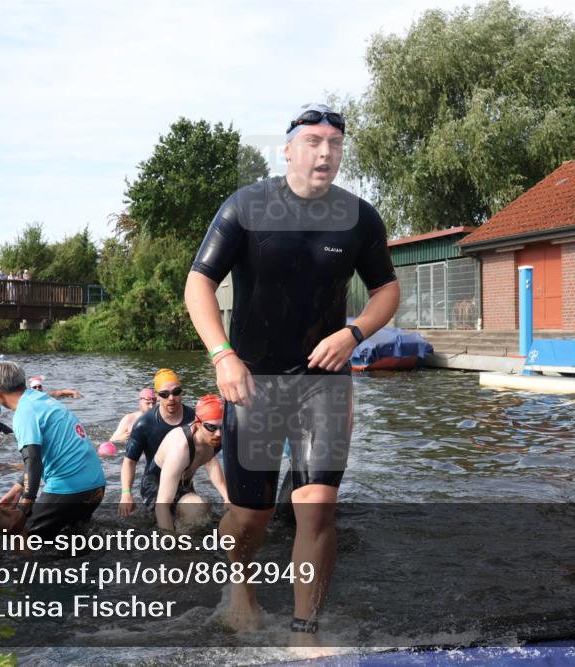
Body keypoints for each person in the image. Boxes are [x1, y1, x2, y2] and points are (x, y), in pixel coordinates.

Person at [184, 103, 400, 642]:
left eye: (335, 143)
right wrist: (223, 356)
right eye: (313, 142)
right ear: (287, 150)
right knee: (250, 516)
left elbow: (386, 290)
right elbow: (198, 283)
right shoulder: (247, 205)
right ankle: (241, 585)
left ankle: (306, 629)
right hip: (253, 382)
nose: (325, 152)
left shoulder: (359, 217)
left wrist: (354, 334)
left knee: (317, 506)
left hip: (323, 382)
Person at [0, 362, 105, 539]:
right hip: (96, 484)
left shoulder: (24, 412)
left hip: (71, 488)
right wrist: (18, 488)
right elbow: (46, 453)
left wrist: (24, 509)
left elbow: (33, 461)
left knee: (21, 536)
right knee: (74, 538)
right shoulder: (42, 400)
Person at [118, 369, 198, 518]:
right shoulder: (144, 424)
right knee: (165, 519)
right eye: (164, 394)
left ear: (182, 391)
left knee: (198, 514)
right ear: (157, 396)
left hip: (182, 482)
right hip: (154, 483)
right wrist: (126, 493)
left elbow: (210, 460)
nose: (171, 398)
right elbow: (129, 462)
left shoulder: (194, 419)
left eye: (176, 392)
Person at [144, 394, 229, 533]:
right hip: (156, 486)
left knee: (203, 519)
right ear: (198, 423)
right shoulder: (180, 449)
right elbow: (162, 504)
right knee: (196, 510)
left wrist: (226, 496)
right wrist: (169, 540)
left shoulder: (214, 436)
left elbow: (211, 463)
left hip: (183, 483)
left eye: (222, 427)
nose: (218, 434)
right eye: (212, 427)